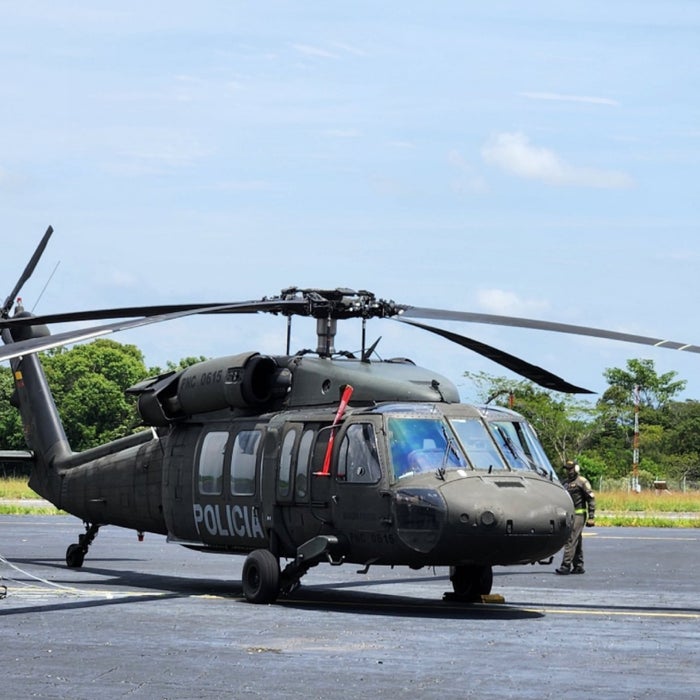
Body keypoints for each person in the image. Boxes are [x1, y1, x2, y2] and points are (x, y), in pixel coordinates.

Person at [555, 460, 596, 575]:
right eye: (567, 469)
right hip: (569, 515)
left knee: (571, 538)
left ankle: (565, 565)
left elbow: (591, 498)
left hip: (579, 515)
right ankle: (578, 566)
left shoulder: (582, 482)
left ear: (576, 469)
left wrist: (591, 516)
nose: (569, 472)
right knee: (576, 540)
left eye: (571, 469)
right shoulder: (565, 483)